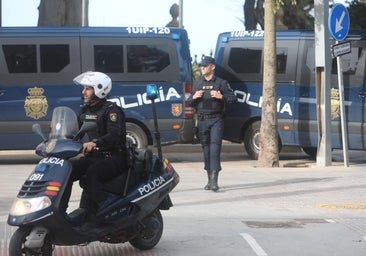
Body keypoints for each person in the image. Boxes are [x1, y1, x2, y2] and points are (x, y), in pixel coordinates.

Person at [61, 71, 127, 221]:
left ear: (100, 89)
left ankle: (106, 208)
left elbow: (114, 135)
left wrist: (95, 142)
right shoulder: (85, 110)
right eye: (84, 88)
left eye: (88, 88)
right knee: (67, 170)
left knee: (93, 174)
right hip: (95, 156)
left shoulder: (111, 110)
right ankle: (60, 211)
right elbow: (74, 132)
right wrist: (59, 138)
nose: (83, 92)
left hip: (115, 157)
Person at [188, 56, 236, 192]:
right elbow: (190, 102)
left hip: (216, 119)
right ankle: (209, 180)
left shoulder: (221, 83)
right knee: (206, 150)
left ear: (212, 67)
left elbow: (232, 99)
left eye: (205, 66)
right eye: (201, 66)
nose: (202, 68)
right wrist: (194, 97)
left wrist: (222, 97)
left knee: (215, 149)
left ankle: (214, 181)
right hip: (202, 120)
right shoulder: (197, 84)